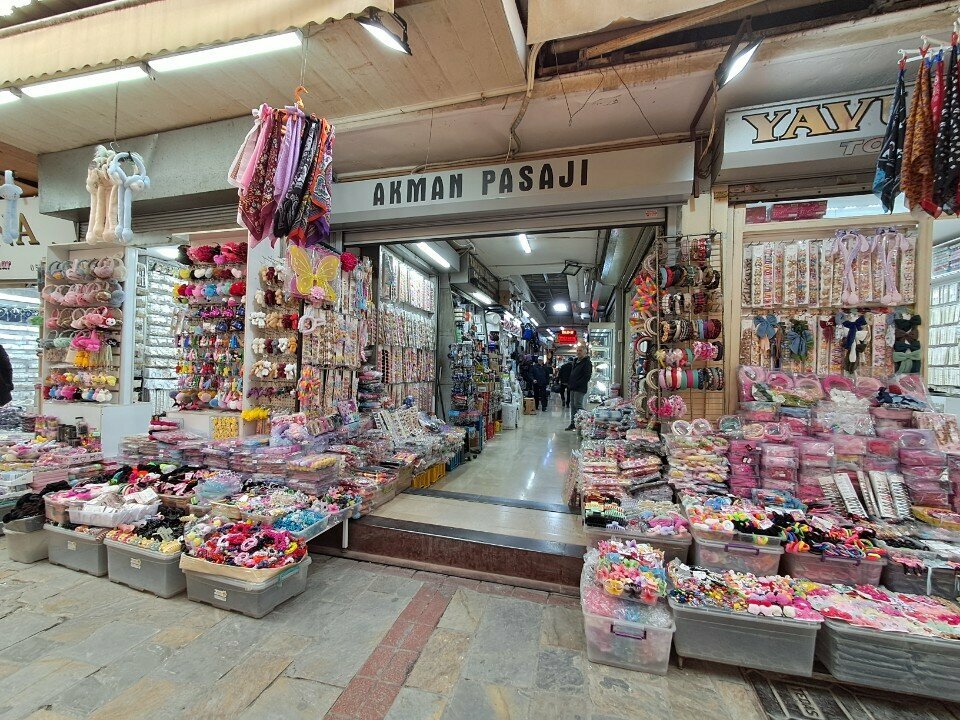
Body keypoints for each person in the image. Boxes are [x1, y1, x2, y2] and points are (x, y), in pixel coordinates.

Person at [565, 344, 592, 430]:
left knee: (578, 405)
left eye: (580, 351)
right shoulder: (575, 361)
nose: (578, 352)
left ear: (585, 352)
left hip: (580, 388)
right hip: (573, 387)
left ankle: (585, 422)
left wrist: (577, 384)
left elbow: (587, 376)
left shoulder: (587, 363)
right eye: (577, 351)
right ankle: (573, 423)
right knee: (573, 406)